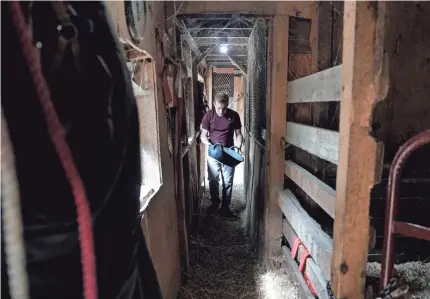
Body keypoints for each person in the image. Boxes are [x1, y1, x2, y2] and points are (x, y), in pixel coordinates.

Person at [200, 92, 244, 218]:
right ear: (214, 104)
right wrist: (208, 143)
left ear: (227, 105)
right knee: (213, 180)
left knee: (228, 181)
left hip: (228, 152)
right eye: (218, 108)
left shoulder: (233, 115)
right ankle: (215, 203)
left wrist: (238, 145)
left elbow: (239, 134)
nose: (221, 111)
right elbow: (203, 135)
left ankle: (225, 208)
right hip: (214, 152)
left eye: (224, 108)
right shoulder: (208, 116)